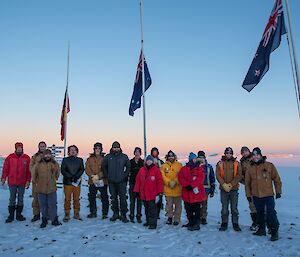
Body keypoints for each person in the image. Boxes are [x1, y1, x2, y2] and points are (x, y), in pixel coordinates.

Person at [245, 147, 282, 241]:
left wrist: (278, 191)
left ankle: (274, 231)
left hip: (268, 194)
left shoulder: (269, 165)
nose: (255, 157)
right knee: (260, 213)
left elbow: (276, 179)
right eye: (254, 155)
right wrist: (248, 195)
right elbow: (247, 183)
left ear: (260, 155)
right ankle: (261, 230)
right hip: (256, 195)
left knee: (271, 213)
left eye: (257, 155)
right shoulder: (250, 168)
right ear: (252, 157)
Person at [1, 142, 31, 223]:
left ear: (22, 148)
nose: (19, 149)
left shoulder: (27, 158)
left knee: (20, 198)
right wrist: (3, 178)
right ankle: (11, 215)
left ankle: (19, 215)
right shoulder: (10, 157)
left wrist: (28, 180)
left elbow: (29, 171)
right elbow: (5, 169)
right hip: (12, 181)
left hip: (22, 182)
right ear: (15, 148)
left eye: (21, 148)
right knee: (12, 198)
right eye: (18, 148)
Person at [102, 141, 131, 223]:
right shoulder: (108, 157)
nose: (116, 149)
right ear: (112, 148)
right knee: (113, 199)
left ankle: (123, 215)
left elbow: (128, 166)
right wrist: (107, 176)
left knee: (123, 199)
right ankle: (115, 214)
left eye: (117, 147)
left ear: (120, 148)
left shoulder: (124, 157)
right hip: (111, 182)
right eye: (114, 147)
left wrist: (125, 176)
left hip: (121, 182)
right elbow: (104, 166)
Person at [33, 149, 62, 228]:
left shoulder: (54, 164)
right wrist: (37, 182)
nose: (47, 156)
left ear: (51, 155)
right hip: (41, 187)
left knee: (52, 204)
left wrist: (53, 180)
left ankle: (54, 219)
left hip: (51, 188)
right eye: (46, 154)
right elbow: (34, 174)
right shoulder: (38, 164)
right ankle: (44, 219)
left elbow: (57, 173)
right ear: (43, 155)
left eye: (49, 154)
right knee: (43, 205)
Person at [216, 147, 242, 232]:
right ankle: (224, 223)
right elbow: (218, 175)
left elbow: (239, 175)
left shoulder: (237, 163)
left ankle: (235, 223)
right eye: (227, 153)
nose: (228, 154)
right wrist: (224, 184)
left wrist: (231, 185)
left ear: (232, 154)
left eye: (230, 153)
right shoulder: (220, 163)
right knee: (224, 207)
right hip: (223, 189)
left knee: (234, 208)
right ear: (225, 153)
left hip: (233, 189)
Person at [134, 155, 163, 229]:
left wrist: (159, 193)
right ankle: (148, 221)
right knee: (146, 209)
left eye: (150, 160)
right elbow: (138, 181)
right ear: (146, 161)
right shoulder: (142, 170)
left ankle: (153, 224)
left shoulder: (156, 170)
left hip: (153, 194)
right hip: (144, 194)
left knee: (152, 210)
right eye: (147, 160)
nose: (149, 162)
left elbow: (160, 182)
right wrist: (136, 191)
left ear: (152, 161)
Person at [178, 153, 206, 231]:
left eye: (194, 159)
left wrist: (192, 186)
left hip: (196, 194)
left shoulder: (199, 168)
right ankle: (190, 222)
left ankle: (196, 223)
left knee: (196, 209)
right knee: (188, 209)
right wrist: (187, 185)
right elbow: (180, 178)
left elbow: (200, 179)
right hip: (187, 192)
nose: (193, 160)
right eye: (192, 159)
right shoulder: (184, 169)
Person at [85, 142, 109, 219]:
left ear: (101, 149)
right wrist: (92, 176)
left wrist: (98, 176)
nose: (97, 150)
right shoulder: (90, 159)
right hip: (92, 181)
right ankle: (93, 212)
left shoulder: (105, 159)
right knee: (92, 197)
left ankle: (105, 213)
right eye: (96, 148)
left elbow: (106, 169)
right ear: (94, 149)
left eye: (99, 148)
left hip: (102, 181)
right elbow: (87, 168)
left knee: (104, 197)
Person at [61, 145, 84, 221]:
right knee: (67, 199)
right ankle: (67, 213)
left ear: (77, 152)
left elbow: (81, 169)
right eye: (71, 150)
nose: (73, 151)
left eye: (74, 150)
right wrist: (70, 177)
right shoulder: (65, 160)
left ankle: (76, 213)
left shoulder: (80, 160)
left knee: (76, 199)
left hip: (77, 183)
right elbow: (63, 170)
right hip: (67, 182)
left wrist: (76, 177)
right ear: (69, 152)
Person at [161, 150, 182, 225]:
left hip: (177, 189)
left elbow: (181, 175)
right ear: (167, 157)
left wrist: (175, 182)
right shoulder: (163, 166)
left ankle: (176, 219)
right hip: (168, 189)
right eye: (169, 156)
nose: (171, 157)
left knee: (178, 206)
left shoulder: (179, 165)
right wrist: (169, 182)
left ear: (174, 156)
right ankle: (169, 218)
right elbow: (162, 176)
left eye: (172, 156)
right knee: (169, 205)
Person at [240, 146, 258, 231]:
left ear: (249, 151)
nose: (244, 153)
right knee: (252, 205)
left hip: (259, 186)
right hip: (249, 187)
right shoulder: (242, 162)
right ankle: (255, 223)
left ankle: (265, 223)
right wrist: (245, 182)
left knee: (262, 204)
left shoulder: (255, 158)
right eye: (243, 152)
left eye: (246, 151)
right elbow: (240, 175)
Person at [29, 141, 47, 222]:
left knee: (45, 199)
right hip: (36, 181)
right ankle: (36, 214)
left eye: (43, 146)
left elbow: (53, 166)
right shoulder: (34, 156)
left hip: (46, 181)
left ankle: (45, 215)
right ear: (38, 147)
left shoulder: (49, 156)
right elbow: (31, 166)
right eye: (41, 146)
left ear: (45, 147)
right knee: (36, 198)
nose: (42, 147)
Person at [197, 150, 215, 225]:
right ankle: (198, 217)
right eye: (200, 157)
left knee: (204, 204)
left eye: (202, 157)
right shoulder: (195, 166)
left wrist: (212, 188)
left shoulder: (209, 167)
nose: (201, 159)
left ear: (205, 158)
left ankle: (203, 218)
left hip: (206, 188)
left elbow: (212, 177)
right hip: (197, 188)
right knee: (197, 204)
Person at [129, 147, 144, 223]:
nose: (137, 153)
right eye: (136, 152)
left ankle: (138, 216)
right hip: (132, 183)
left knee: (139, 201)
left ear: (140, 153)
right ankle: (131, 215)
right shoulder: (130, 162)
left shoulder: (143, 162)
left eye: (138, 152)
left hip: (140, 185)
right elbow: (127, 172)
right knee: (132, 201)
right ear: (134, 153)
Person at [150, 147, 164, 219]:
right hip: (151, 183)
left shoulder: (160, 162)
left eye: (156, 152)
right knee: (152, 200)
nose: (154, 153)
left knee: (159, 199)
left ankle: (157, 214)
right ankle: (153, 214)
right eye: (153, 152)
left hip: (159, 183)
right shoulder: (149, 161)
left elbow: (163, 171)